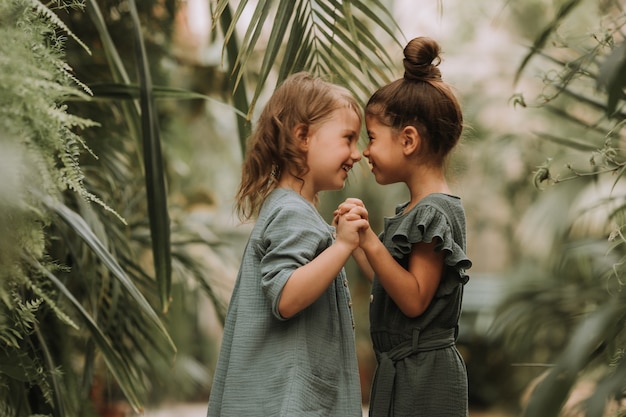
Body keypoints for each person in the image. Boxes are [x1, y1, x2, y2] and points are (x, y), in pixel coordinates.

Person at [206, 72, 367, 417]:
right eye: (348, 138)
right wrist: (341, 247)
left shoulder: (296, 210)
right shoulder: (292, 212)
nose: (357, 154)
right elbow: (286, 298)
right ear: (304, 136)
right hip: (283, 403)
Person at [336, 37, 472, 416]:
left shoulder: (435, 214)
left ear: (408, 140)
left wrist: (371, 243)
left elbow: (413, 300)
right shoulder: (415, 211)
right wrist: (357, 241)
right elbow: (388, 282)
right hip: (404, 371)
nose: (365, 151)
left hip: (426, 379)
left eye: (373, 138)